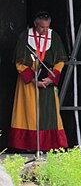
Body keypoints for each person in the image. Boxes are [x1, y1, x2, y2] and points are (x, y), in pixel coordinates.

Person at [8, 11, 68, 152]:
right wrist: (34, 80)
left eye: (47, 27)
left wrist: (51, 78)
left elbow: (60, 61)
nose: (45, 30)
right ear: (35, 24)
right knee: (28, 113)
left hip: (47, 82)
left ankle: (49, 145)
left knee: (49, 113)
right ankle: (29, 146)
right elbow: (19, 63)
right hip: (29, 83)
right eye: (42, 27)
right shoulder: (24, 37)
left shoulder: (54, 37)